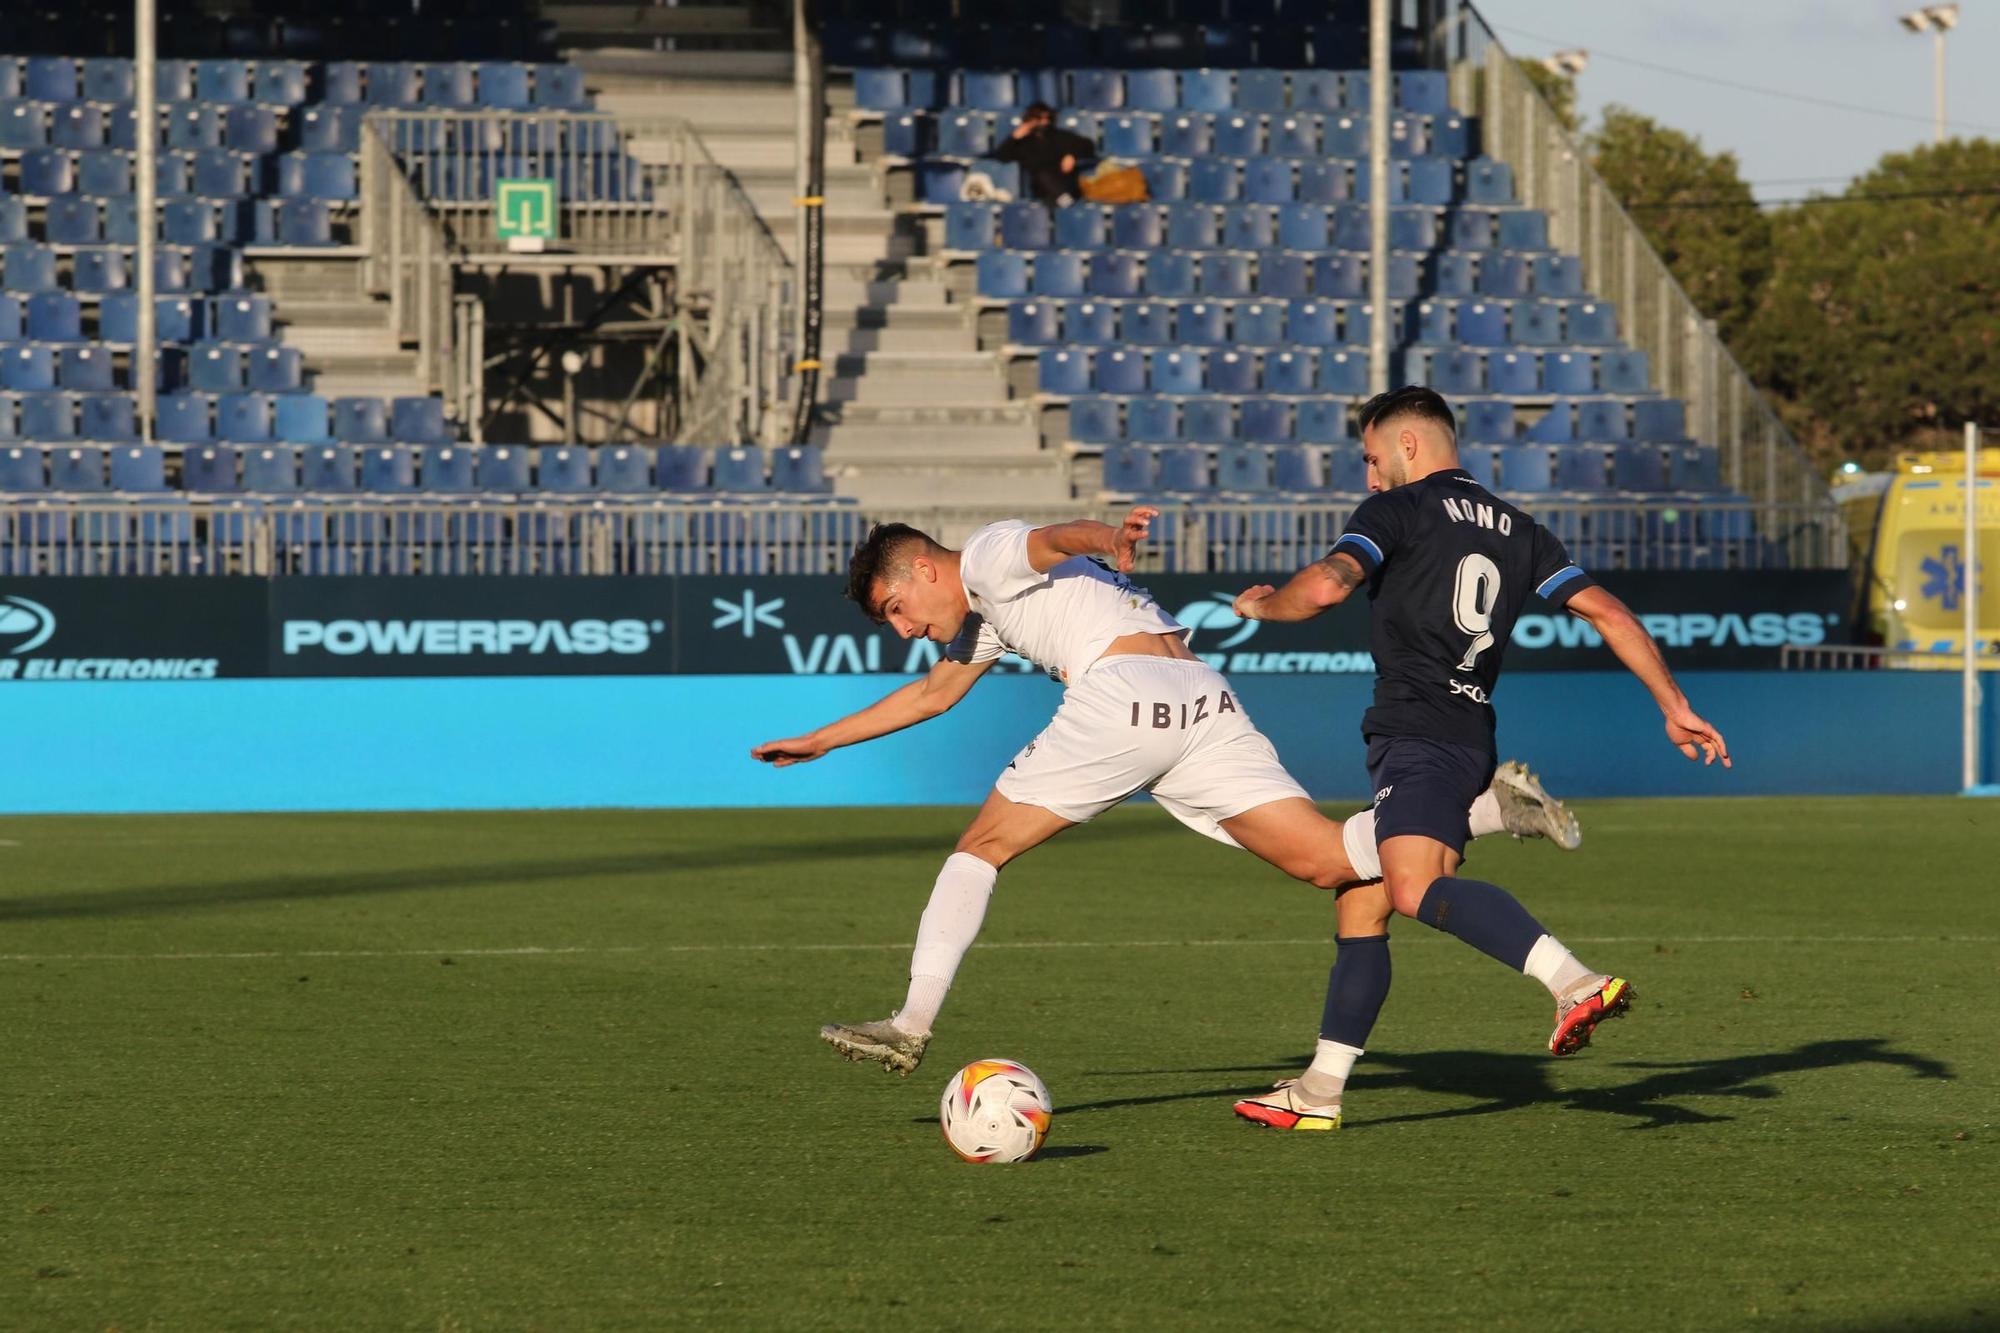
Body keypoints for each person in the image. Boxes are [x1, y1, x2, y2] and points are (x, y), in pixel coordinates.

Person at [749, 509, 1583, 1076]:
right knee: (1330, 862)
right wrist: (819, 739)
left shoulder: (987, 555)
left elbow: (1047, 538)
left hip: (1123, 693)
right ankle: (1488, 808)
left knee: (981, 847)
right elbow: (931, 695)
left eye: (898, 607)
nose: (903, 627)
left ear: (926, 568)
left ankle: (911, 1025)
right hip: (1199, 698)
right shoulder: (989, 614)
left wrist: (1104, 533)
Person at [1229, 386, 1732, 1132]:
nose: (1368, 478)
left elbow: (1329, 586)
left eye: (1371, 458)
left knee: (1411, 888)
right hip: (1468, 732)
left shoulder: (1396, 510)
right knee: (1360, 899)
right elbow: (1610, 612)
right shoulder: (1519, 528)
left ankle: (1572, 979)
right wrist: (1673, 704)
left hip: (1418, 730)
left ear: (1408, 445)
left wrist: (1263, 605)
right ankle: (1319, 1090)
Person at [990, 102, 1094, 207]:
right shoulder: (1022, 143)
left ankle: (1066, 202)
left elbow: (1088, 146)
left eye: (1048, 118)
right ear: (1029, 120)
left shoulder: (1061, 136)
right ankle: (1065, 202)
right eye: (1039, 118)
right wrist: (1013, 138)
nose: (1044, 122)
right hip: (1042, 188)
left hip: (1065, 181)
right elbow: (1001, 156)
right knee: (1042, 176)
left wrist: (1072, 155)